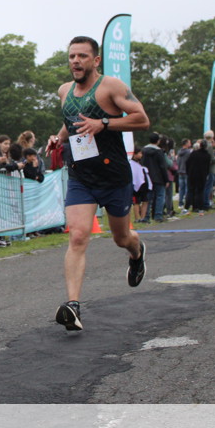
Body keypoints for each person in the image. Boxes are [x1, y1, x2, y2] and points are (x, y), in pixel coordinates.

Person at [53, 36, 150, 331]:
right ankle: (73, 305)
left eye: (82, 56)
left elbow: (142, 119)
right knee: (78, 236)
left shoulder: (111, 87)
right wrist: (58, 138)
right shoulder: (64, 91)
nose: (75, 61)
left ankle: (137, 253)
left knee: (121, 238)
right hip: (81, 176)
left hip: (113, 177)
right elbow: (72, 121)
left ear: (95, 60)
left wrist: (104, 123)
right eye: (72, 56)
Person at [140, 132, 168, 222]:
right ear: (158, 141)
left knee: (148, 198)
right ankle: (158, 215)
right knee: (160, 196)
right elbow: (163, 166)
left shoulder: (143, 150)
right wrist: (166, 179)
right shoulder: (159, 151)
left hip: (147, 177)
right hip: (158, 177)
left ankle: (146, 216)